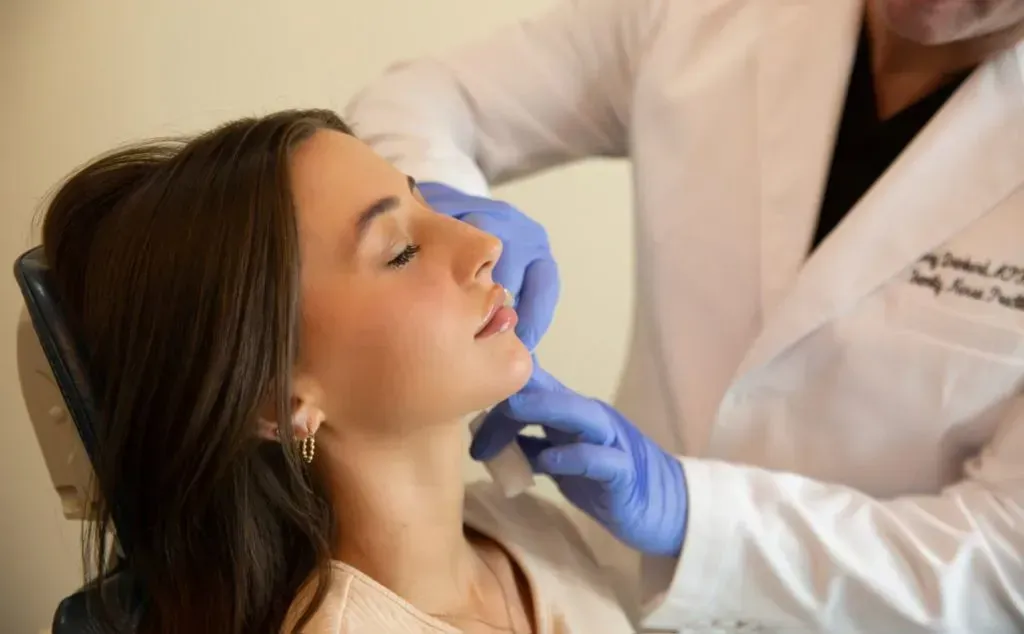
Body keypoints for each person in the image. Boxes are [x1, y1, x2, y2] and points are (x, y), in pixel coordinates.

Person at [344, 0, 1024, 631]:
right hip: (605, 590)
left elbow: (1002, 566)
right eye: (398, 252)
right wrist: (444, 203)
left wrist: (696, 517)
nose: (479, 257)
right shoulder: (699, 15)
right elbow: (422, 100)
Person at [40, 109, 638, 634]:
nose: (484, 244)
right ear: (279, 403)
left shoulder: (538, 534)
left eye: (426, 203)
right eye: (400, 251)